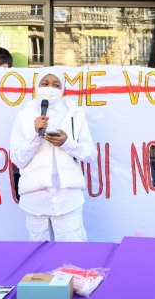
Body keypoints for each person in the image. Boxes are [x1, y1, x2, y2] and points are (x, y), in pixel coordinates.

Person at [9, 67, 95, 242]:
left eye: (56, 85)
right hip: (35, 199)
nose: (50, 88)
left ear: (62, 89)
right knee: (38, 254)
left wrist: (67, 143)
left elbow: (90, 154)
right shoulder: (24, 116)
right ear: (37, 86)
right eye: (45, 83)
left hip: (67, 199)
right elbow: (18, 159)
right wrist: (35, 136)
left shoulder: (75, 115)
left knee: (72, 255)